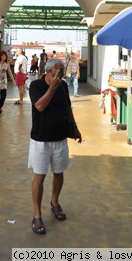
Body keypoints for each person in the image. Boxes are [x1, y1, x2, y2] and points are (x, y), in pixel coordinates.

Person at [28, 58, 82, 234]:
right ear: (49, 72)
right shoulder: (36, 86)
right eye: (59, 71)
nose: (62, 75)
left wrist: (75, 128)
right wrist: (52, 88)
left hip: (59, 138)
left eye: (62, 72)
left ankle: (55, 202)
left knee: (59, 173)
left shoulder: (64, 86)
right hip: (40, 140)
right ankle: (37, 216)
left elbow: (68, 108)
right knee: (39, 178)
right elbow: (40, 106)